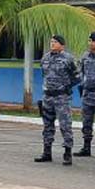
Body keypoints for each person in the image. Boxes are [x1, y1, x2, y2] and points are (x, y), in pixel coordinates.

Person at [35, 35, 79, 166]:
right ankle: (47, 152)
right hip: (48, 96)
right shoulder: (45, 58)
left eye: (55, 42)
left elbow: (78, 76)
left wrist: (66, 86)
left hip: (62, 97)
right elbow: (45, 74)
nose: (52, 44)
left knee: (65, 125)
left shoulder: (68, 59)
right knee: (47, 125)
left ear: (62, 45)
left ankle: (67, 153)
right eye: (51, 42)